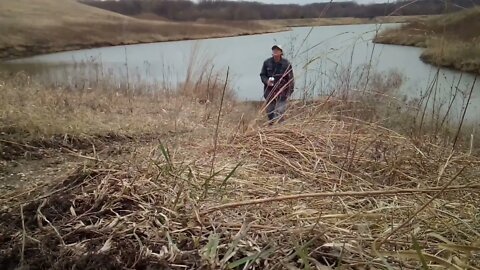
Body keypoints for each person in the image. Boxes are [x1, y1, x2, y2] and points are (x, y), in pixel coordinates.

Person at [260, 44, 294, 123]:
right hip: (270, 93)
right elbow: (262, 75)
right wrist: (267, 81)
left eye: (277, 50)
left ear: (281, 52)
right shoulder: (267, 62)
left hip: (282, 93)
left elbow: (291, 79)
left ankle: (281, 130)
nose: (275, 51)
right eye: (274, 50)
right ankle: (272, 130)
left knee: (280, 112)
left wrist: (289, 93)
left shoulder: (286, 63)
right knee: (270, 113)